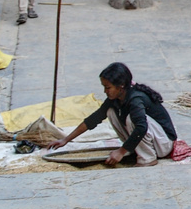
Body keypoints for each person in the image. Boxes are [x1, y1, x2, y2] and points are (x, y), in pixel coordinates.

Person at [48, 62, 177, 166]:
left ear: (121, 86)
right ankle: (134, 150)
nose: (105, 91)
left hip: (164, 144)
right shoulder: (115, 99)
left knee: (133, 120)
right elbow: (94, 119)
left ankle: (148, 158)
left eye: (108, 87)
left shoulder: (135, 99)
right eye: (104, 87)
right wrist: (66, 139)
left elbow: (142, 127)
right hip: (153, 140)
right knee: (111, 112)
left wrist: (121, 151)